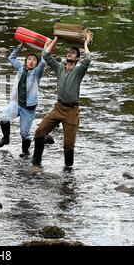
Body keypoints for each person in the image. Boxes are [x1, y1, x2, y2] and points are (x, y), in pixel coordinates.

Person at [31, 33, 92, 168]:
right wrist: (56, 39)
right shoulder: (59, 68)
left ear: (77, 59)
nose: (69, 54)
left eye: (73, 53)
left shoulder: (79, 71)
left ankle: (68, 171)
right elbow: (46, 55)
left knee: (68, 145)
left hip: (72, 111)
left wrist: (85, 44)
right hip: (58, 107)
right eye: (68, 52)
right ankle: (36, 162)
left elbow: (88, 59)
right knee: (40, 133)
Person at [0, 41, 54, 157]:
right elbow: (11, 58)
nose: (31, 61)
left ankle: (25, 152)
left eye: (34, 60)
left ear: (36, 63)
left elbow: (43, 62)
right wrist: (21, 46)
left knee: (25, 133)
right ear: (25, 62)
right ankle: (5, 139)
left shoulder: (37, 73)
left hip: (28, 108)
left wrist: (45, 48)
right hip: (16, 103)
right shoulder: (21, 68)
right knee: (4, 118)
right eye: (29, 59)